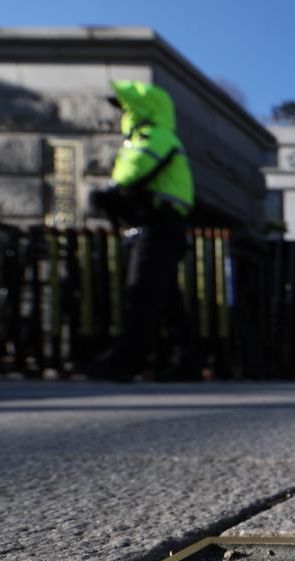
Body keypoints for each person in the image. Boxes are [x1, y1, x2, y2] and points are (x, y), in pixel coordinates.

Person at [84, 80, 200, 381]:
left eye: (126, 108)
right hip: (159, 226)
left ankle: (125, 362)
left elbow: (130, 173)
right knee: (165, 298)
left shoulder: (155, 137)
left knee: (142, 295)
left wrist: (110, 192)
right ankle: (186, 360)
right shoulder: (152, 137)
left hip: (159, 227)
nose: (122, 114)